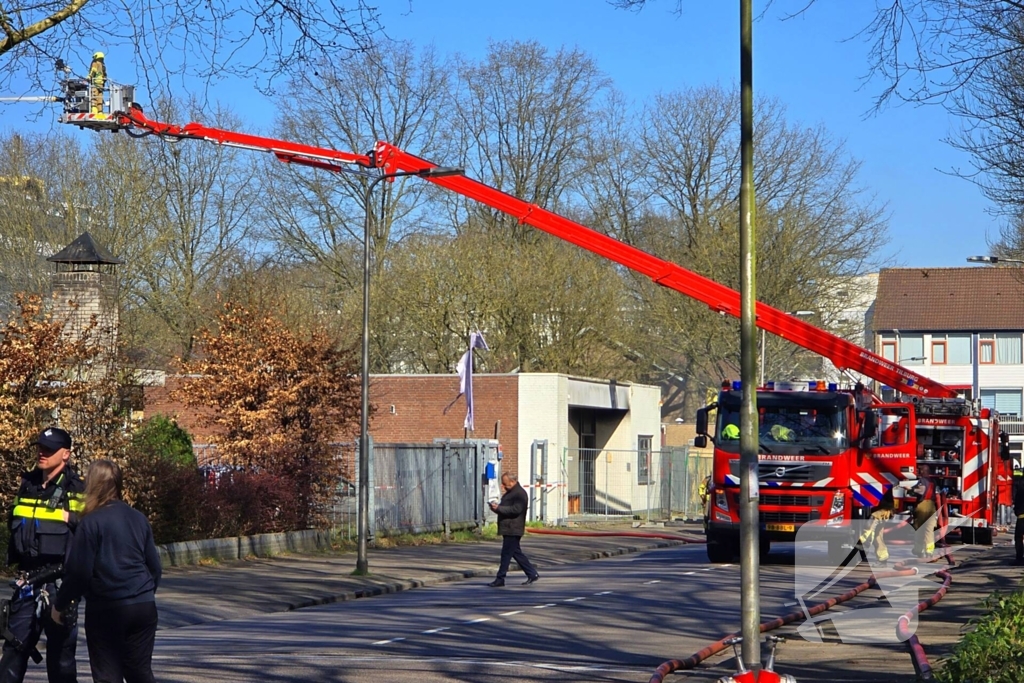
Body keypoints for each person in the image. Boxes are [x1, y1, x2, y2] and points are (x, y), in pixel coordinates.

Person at [52, 459, 162, 683]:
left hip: (107, 609)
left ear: (91, 485)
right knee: (139, 674)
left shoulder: (91, 523)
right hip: (143, 607)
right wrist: (143, 594)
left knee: (107, 677)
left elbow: (79, 573)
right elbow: (155, 568)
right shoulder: (138, 518)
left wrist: (60, 605)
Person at [2, 426, 85, 683]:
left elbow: (90, 529)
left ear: (66, 454)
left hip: (60, 583)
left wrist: (70, 517)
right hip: (27, 581)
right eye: (40, 447)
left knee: (61, 658)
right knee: (13, 651)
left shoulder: (77, 489)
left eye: (49, 450)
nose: (42, 453)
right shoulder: (27, 484)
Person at [487, 473, 539, 587]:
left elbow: (516, 510)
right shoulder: (511, 493)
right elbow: (506, 508)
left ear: (512, 482)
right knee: (516, 553)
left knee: (506, 554)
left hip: (513, 528)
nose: (503, 486)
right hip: (508, 527)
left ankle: (500, 578)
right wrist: (496, 509)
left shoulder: (520, 494)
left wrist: (499, 508)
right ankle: (532, 573)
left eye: (505, 484)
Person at [860, 487, 895, 566]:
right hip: (884, 509)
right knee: (877, 536)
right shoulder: (886, 480)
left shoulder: (881, 483)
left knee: (869, 528)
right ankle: (883, 559)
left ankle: (864, 546)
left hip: (880, 510)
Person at [911, 465, 939, 558]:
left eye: (921, 470)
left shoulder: (922, 480)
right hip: (931, 506)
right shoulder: (933, 481)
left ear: (924, 471)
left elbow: (921, 491)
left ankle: (918, 550)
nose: (920, 471)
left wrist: (910, 489)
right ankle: (929, 551)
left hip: (923, 505)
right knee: (929, 530)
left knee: (919, 529)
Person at [1012, 462, 1024, 566]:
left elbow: (1018, 498)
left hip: (1022, 515)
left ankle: (1019, 558)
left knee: (1018, 537)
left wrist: (1017, 510)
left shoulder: (1021, 483)